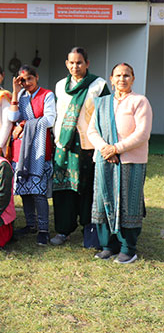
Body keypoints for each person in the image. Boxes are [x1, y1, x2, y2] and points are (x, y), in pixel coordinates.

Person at [88, 63, 152, 264]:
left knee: (128, 204)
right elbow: (92, 131)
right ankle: (108, 246)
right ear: (111, 79)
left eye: (126, 75)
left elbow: (142, 133)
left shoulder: (140, 101)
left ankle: (127, 248)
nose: (122, 79)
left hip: (130, 161)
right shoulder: (102, 103)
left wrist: (117, 148)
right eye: (118, 75)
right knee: (103, 200)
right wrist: (105, 149)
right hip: (105, 159)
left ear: (133, 79)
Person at [51, 47, 109, 247]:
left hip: (88, 146)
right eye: (72, 63)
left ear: (87, 63)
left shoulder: (98, 85)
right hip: (64, 145)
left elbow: (105, 115)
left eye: (79, 62)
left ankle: (89, 230)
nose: (75, 66)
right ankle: (63, 230)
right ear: (67, 64)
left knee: (88, 188)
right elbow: (59, 113)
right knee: (64, 188)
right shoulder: (60, 86)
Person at [8, 64, 56, 246]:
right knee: (25, 190)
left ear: (37, 77)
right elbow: (12, 118)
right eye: (23, 80)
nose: (27, 82)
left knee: (38, 191)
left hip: (39, 149)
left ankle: (43, 229)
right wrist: (15, 92)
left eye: (30, 78)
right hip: (21, 149)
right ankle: (30, 224)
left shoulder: (47, 95)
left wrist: (23, 125)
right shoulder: (20, 96)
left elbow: (49, 119)